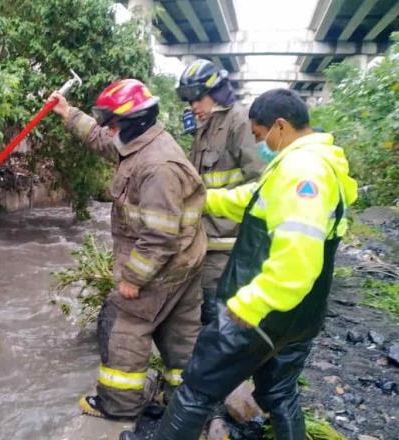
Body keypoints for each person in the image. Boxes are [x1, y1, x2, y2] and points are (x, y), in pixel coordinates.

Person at [147, 89, 358, 439]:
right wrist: (201, 201)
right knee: (279, 391)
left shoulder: (304, 172)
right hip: (302, 315)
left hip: (263, 313)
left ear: (279, 126)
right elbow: (252, 198)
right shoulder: (308, 164)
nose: (260, 143)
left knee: (197, 388)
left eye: (260, 135)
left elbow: (298, 259)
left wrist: (249, 304)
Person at [49, 79, 207, 419]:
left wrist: (133, 279)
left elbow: (159, 236)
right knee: (181, 336)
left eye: (113, 123)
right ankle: (184, 400)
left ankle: (120, 405)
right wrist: (67, 112)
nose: (108, 130)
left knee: (124, 328)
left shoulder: (156, 167)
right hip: (185, 261)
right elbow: (102, 140)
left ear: (132, 123)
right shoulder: (142, 144)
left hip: (162, 266)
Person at [176, 58, 263, 325]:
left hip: (227, 243)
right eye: (189, 100)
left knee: (216, 314)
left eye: (198, 99)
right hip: (203, 238)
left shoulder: (240, 123)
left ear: (215, 93)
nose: (193, 106)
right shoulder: (205, 127)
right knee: (201, 310)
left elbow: (261, 183)